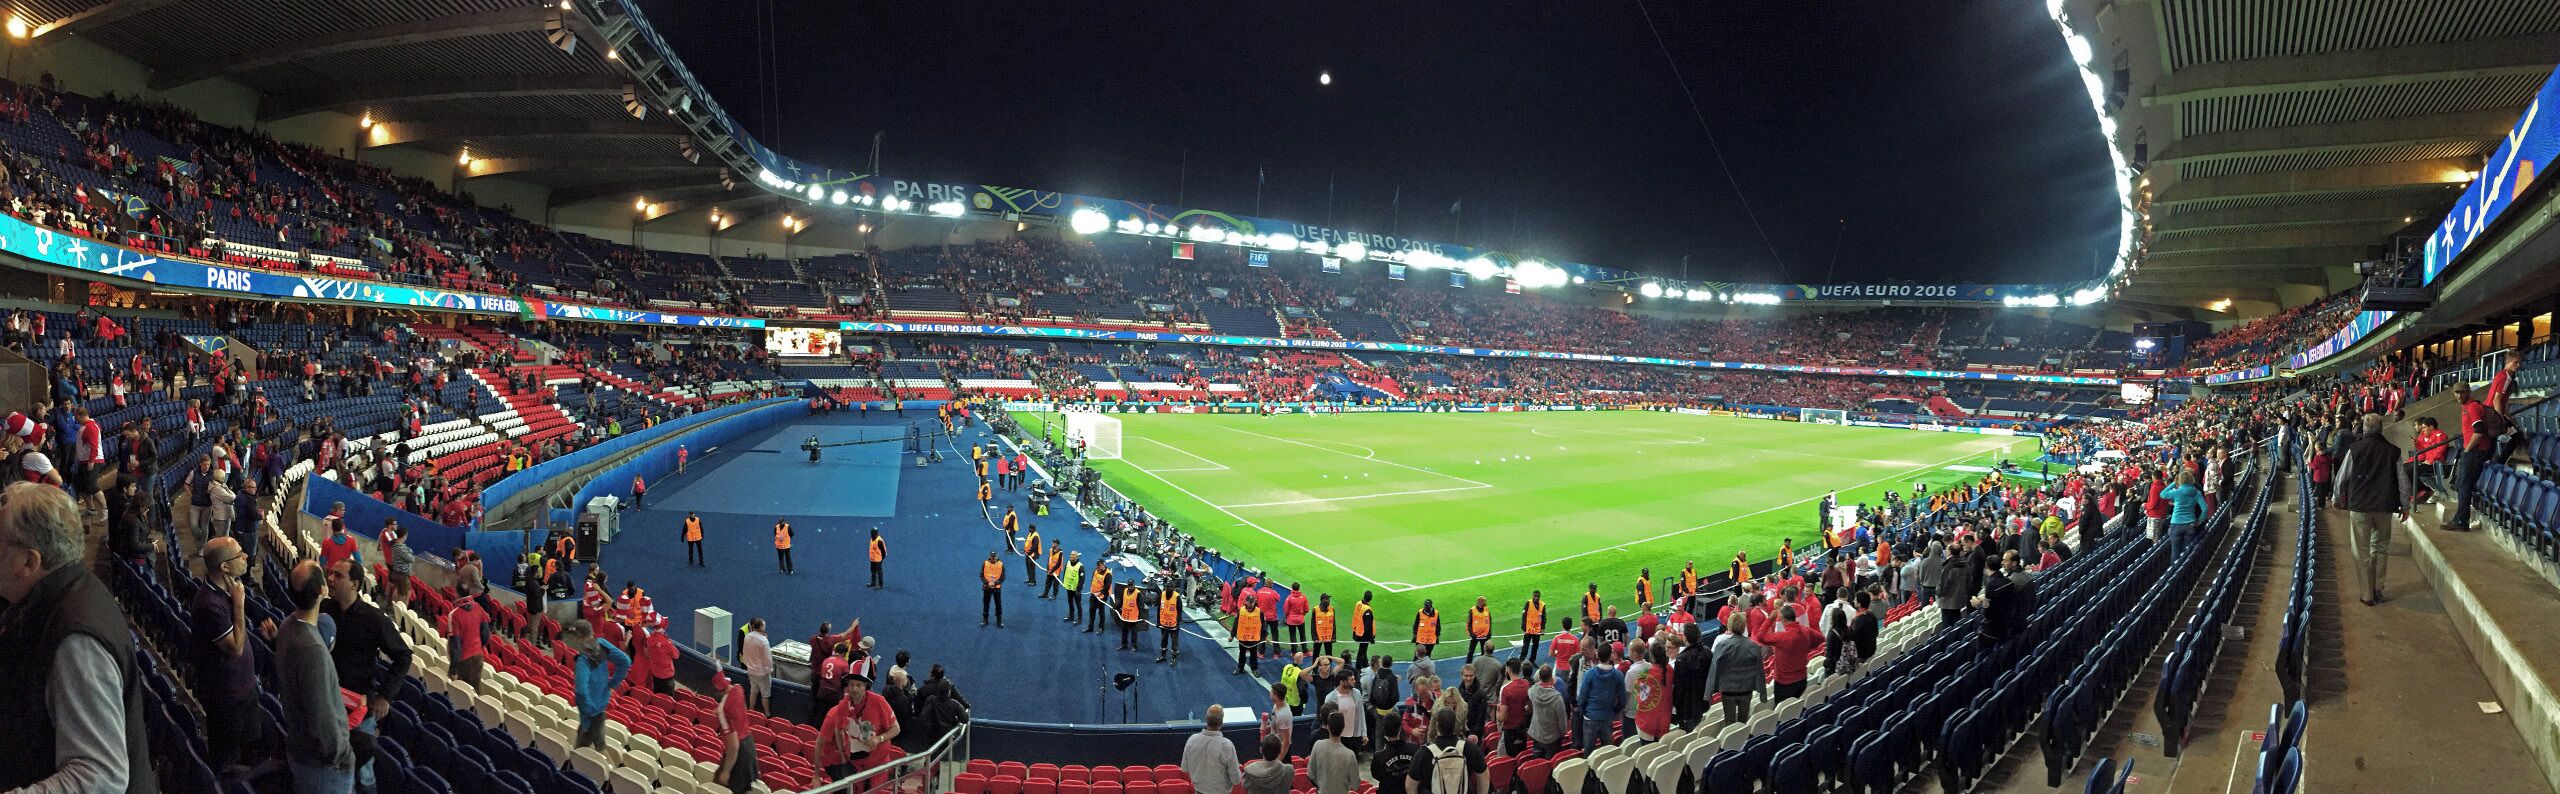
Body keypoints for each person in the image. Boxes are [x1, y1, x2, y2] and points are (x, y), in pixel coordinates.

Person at [322, 558, 410, 794]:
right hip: (330, 702)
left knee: (364, 770)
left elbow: (403, 656)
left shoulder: (374, 618)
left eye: (338, 576)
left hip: (360, 707)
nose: (330, 578)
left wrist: (385, 696)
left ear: (355, 584)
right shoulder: (325, 609)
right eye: (331, 573)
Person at [275, 559, 355, 794]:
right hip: (322, 767)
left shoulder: (287, 626)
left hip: (301, 750)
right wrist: (342, 755)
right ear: (323, 591)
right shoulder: (313, 651)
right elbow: (322, 720)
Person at [2334, 413, 2411, 606]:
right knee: (2381, 548)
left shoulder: (2355, 449)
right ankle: (2378, 588)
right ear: (2381, 428)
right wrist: (2405, 506)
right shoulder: (2393, 451)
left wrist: (2336, 497)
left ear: (2364, 429)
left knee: (2361, 551)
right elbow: (2403, 481)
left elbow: (2342, 477)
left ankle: (2367, 594)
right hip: (2385, 507)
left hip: (2360, 507)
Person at [815, 670, 901, 781]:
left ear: (865, 686)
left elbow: (896, 729)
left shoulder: (878, 702)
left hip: (876, 765)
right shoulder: (842, 707)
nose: (854, 689)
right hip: (853, 764)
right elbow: (837, 730)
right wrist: (843, 756)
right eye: (852, 685)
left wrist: (879, 739)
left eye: (858, 685)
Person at [563, 618, 632, 750]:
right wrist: (613, 685)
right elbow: (625, 662)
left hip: (592, 710)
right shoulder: (602, 644)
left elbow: (581, 691)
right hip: (600, 703)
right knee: (593, 739)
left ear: (579, 639)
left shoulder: (582, 662)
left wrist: (588, 709)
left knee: (587, 744)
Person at [1407, 707, 1487, 794]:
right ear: (1455, 724)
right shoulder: (1471, 749)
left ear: (1437, 725)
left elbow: (1409, 786)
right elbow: (1484, 776)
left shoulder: (1424, 752)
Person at [1706, 613, 1766, 725]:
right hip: (1746, 690)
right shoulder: (1753, 645)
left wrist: (1708, 693)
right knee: (1743, 721)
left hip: (1729, 691)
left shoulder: (1722, 645)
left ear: (1729, 626)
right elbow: (1759, 671)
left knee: (1729, 722)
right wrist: (1763, 694)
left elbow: (1714, 669)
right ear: (1744, 626)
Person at [711, 673, 759, 794]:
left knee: (723, 784)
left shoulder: (724, 712)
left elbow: (734, 745)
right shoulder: (738, 688)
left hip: (740, 752)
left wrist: (727, 771)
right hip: (749, 743)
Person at [1181, 706, 1244, 794]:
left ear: (1206, 720)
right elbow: (1236, 780)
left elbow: (1184, 768)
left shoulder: (1192, 740)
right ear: (1221, 723)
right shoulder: (1226, 745)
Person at [443, 579, 492, 688]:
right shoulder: (479, 608)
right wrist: (479, 647)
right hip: (478, 656)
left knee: (462, 692)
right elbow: (486, 634)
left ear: (456, 593)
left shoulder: (454, 615)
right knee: (475, 689)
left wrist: (453, 668)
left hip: (463, 659)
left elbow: (455, 644)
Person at [1574, 645, 1623, 753]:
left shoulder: (1590, 674)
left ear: (1597, 655)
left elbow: (1582, 697)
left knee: (1589, 751)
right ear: (1610, 656)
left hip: (1591, 717)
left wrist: (1583, 712)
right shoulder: (1618, 675)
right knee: (1608, 750)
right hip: (1607, 716)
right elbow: (1622, 699)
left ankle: (1590, 769)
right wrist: (1614, 712)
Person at [1309, 712, 1360, 794]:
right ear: (1343, 728)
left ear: (1328, 727)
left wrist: (1322, 785)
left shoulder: (1318, 745)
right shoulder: (1349, 755)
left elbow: (1311, 773)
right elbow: (1355, 785)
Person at [2160, 472, 2205, 557]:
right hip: (2190, 523)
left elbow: (2162, 494)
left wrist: (2174, 483)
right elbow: (2205, 508)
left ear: (2180, 480)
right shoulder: (2196, 492)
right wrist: (2200, 520)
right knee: (2187, 551)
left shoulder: (2176, 492)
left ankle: (2174, 569)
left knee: (2175, 550)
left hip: (2176, 523)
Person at [741, 618, 774, 713]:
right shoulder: (763, 641)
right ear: (761, 627)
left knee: (753, 691)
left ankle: (751, 710)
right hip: (762, 673)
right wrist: (769, 670)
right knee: (765, 695)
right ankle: (767, 714)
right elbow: (767, 658)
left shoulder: (747, 636)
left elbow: (745, 652)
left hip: (751, 670)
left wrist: (748, 664)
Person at [980, 551, 1005, 627]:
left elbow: (1002, 577)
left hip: (996, 588)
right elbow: (981, 575)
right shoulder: (985, 563)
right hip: (987, 588)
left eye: (994, 556)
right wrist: (987, 583)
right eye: (992, 556)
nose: (993, 558)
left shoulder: (1001, 564)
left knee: (998, 605)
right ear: (990, 556)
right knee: (986, 604)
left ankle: (999, 620)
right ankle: (985, 619)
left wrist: (995, 583)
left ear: (997, 556)